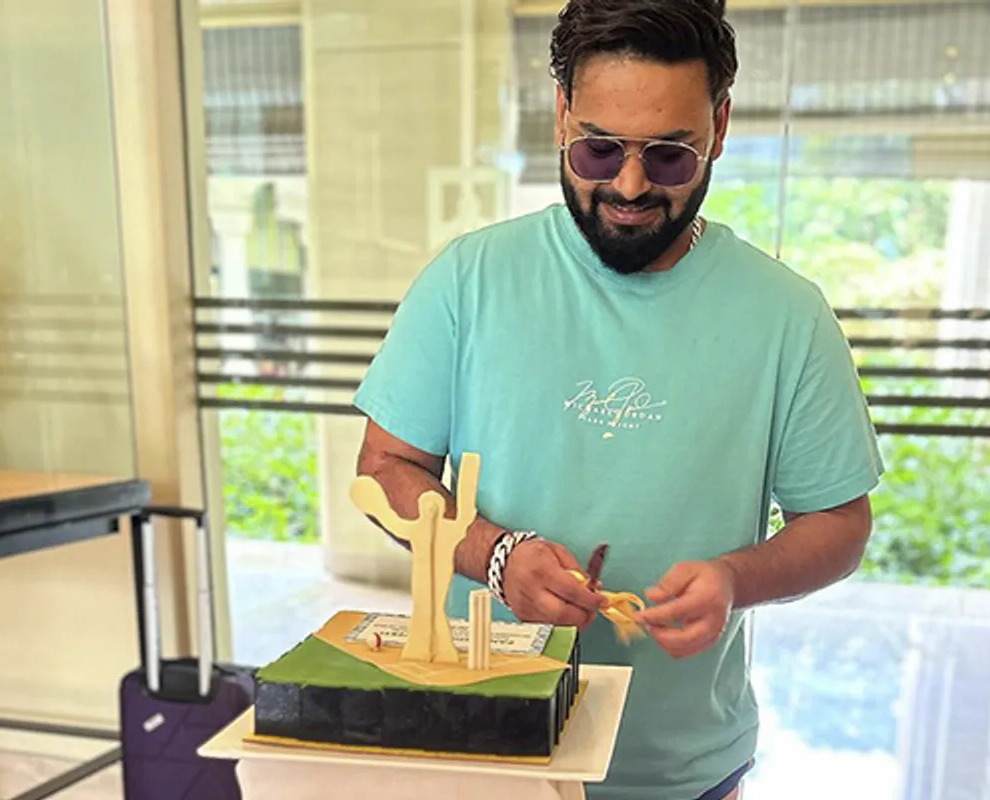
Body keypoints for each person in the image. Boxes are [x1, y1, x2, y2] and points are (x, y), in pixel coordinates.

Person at [352, 1, 885, 797]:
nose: (630, 186)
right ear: (562, 114)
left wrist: (736, 578)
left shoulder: (785, 315)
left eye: (670, 158)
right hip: (482, 750)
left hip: (682, 771)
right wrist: (495, 558)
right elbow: (386, 469)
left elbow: (838, 523)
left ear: (722, 126)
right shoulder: (470, 280)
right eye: (598, 150)